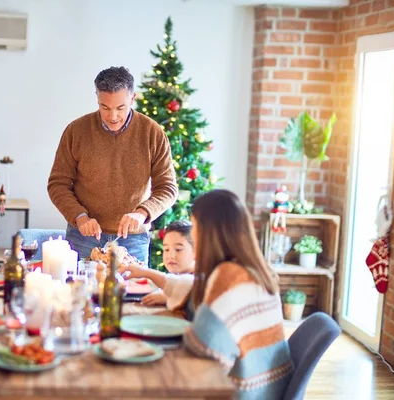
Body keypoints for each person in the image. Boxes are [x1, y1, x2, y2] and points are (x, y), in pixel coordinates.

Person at [47, 66, 178, 264]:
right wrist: (79, 216)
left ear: (133, 98)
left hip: (132, 238)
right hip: (83, 236)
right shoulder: (76, 131)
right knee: (77, 293)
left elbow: (167, 188)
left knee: (131, 294)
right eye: (105, 107)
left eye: (120, 108)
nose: (113, 116)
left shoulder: (153, 133)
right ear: (97, 99)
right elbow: (57, 184)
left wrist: (142, 213)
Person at [180, 189, 292, 399]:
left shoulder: (228, 276)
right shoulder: (257, 270)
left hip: (244, 392)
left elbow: (203, 350)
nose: (193, 236)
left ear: (209, 232)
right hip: (269, 389)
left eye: (194, 227)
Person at [119, 220, 194, 307]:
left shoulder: (200, 278)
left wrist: (167, 297)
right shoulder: (175, 277)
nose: (171, 255)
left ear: (196, 250)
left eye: (178, 249)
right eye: (166, 249)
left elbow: (188, 290)